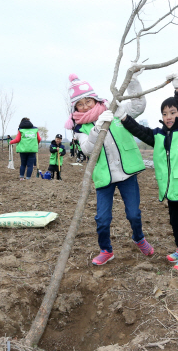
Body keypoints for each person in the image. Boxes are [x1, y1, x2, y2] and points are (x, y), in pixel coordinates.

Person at [120, 73, 178, 272]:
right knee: (174, 220)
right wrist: (123, 117)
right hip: (171, 189)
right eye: (165, 113)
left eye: (172, 112)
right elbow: (139, 131)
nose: (169, 117)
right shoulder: (160, 135)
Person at [64, 71, 152, 265]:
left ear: (95, 99)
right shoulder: (79, 128)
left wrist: (133, 81)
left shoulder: (113, 110)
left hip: (126, 173)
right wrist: (97, 128)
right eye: (80, 103)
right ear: (75, 107)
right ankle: (106, 250)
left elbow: (139, 105)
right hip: (104, 176)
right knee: (102, 218)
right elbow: (87, 149)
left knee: (133, 214)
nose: (85, 106)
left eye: (88, 101)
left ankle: (139, 238)